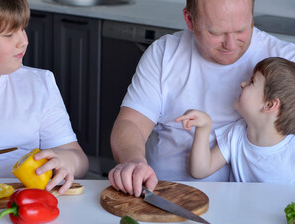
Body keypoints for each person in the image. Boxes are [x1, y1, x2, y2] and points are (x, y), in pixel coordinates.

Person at [108, 0, 295, 197]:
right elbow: (131, 123)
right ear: (190, 20)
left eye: (242, 29)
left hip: (247, 206)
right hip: (165, 194)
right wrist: (133, 161)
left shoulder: (286, 63)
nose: (230, 44)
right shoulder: (164, 54)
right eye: (216, 32)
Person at [0, 0, 88, 194]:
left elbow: (79, 159)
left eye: (23, 29)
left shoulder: (40, 84)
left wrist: (67, 161)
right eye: (9, 34)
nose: (24, 41)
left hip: (26, 204)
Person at [176, 57, 295, 182]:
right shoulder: (236, 134)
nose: (242, 84)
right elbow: (200, 171)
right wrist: (204, 127)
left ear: (269, 105)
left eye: (252, 82)